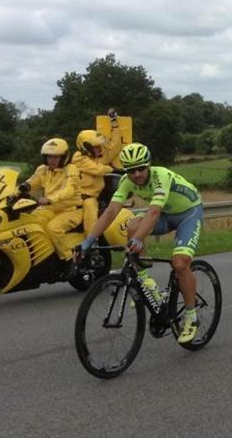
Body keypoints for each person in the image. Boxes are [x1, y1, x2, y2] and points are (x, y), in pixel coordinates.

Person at [79, 143, 203, 343]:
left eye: (140, 168)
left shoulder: (160, 175)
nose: (136, 174)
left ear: (148, 165)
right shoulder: (127, 182)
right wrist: (89, 240)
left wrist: (138, 241)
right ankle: (148, 283)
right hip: (166, 213)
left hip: (188, 213)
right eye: (130, 170)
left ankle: (191, 316)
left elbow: (153, 213)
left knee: (180, 263)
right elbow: (110, 212)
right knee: (132, 226)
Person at [20, 138, 82, 263]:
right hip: (49, 209)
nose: (51, 160)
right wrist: (17, 191)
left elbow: (69, 190)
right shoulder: (43, 170)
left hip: (71, 210)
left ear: (63, 157)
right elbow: (32, 182)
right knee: (30, 224)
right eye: (49, 157)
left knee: (53, 228)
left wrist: (50, 199)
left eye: (55, 157)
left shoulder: (71, 169)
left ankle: (69, 259)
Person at [71, 108, 124, 234]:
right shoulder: (79, 158)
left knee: (93, 208)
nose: (100, 148)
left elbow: (116, 146)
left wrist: (114, 123)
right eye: (96, 146)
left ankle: (93, 241)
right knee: (90, 209)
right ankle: (91, 240)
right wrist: (112, 169)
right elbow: (98, 170)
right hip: (78, 197)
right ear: (86, 147)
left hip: (92, 197)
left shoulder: (100, 157)